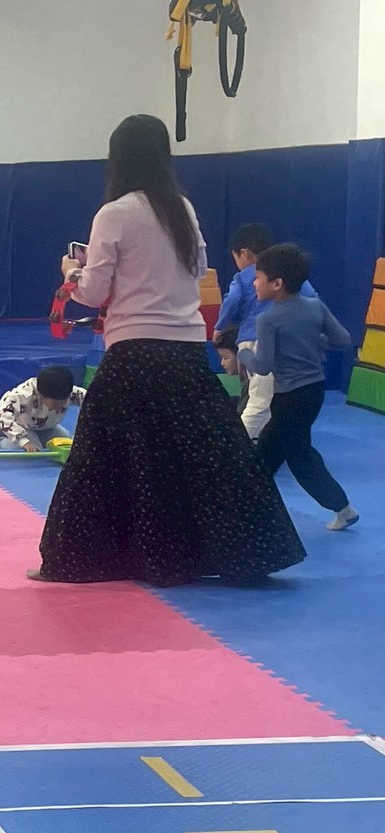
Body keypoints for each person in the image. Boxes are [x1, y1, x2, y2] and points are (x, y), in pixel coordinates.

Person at [32, 115, 304, 586]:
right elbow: (197, 270)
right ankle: (239, 554)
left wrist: (72, 273)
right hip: (183, 350)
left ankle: (83, 558)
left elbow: (93, 293)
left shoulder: (114, 213)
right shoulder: (182, 209)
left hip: (134, 351)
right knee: (205, 456)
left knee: (104, 458)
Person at [250, 243, 359, 532]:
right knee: (268, 450)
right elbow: (343, 340)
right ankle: (246, 505)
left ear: (277, 283)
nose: (254, 283)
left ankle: (343, 507)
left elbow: (263, 366)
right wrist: (316, 343)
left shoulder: (267, 319)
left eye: (258, 277)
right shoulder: (315, 306)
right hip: (314, 392)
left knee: (298, 456)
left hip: (288, 397)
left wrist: (243, 354)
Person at [215, 224, 318, 442]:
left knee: (258, 398)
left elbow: (232, 300)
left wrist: (220, 326)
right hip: (284, 344)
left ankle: (241, 445)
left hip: (252, 342)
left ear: (244, 253)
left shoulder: (243, 277)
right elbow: (312, 298)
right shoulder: (288, 273)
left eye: (236, 258)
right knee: (268, 397)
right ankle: (247, 444)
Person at [0, 367, 87, 453]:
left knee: (70, 446)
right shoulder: (24, 395)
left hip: (49, 427)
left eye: (63, 402)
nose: (60, 406)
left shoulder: (73, 393)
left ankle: (40, 438)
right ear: (41, 395)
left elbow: (91, 401)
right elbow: (3, 415)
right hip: (24, 426)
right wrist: (23, 441)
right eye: (55, 404)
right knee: (33, 450)